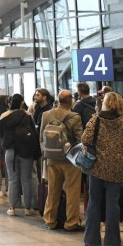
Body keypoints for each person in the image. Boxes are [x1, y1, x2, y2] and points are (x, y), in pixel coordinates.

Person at [81, 91, 123, 246]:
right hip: (116, 168)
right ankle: (112, 241)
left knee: (94, 202)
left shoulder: (95, 120)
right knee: (113, 203)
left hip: (96, 167)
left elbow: (85, 139)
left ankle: (91, 240)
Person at [40, 90, 84, 231]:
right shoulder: (75, 117)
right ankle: (71, 223)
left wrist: (46, 154)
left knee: (53, 190)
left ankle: (50, 220)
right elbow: (80, 140)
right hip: (70, 160)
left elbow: (41, 138)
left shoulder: (46, 115)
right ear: (70, 101)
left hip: (52, 158)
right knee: (72, 191)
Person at [0, 93, 38, 216]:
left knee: (12, 179)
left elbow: (1, 134)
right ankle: (28, 207)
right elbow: (34, 133)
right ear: (22, 103)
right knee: (26, 179)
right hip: (26, 151)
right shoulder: (27, 115)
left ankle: (12, 207)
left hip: (10, 151)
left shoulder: (4, 116)